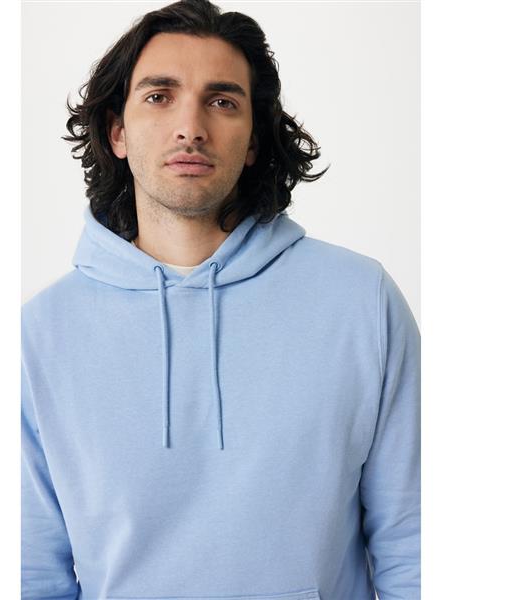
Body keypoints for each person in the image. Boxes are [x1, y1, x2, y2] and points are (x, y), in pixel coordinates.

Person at [21, 0, 420, 598]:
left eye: (223, 101)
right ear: (117, 132)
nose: (191, 127)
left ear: (254, 139)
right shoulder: (41, 335)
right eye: (160, 96)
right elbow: (29, 574)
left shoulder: (363, 301)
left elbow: (416, 543)